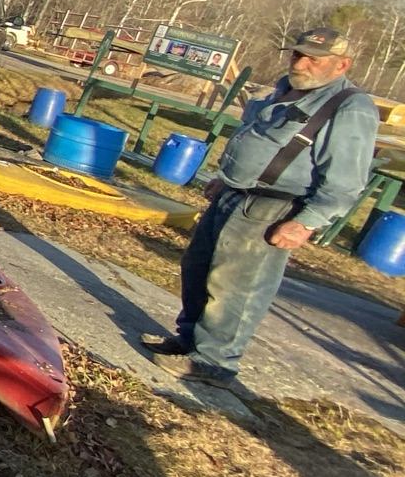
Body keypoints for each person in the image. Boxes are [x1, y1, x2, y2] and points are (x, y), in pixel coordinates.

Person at [140, 26, 378, 390]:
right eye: (297, 55)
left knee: (236, 285)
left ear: (341, 65)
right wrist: (227, 179)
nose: (301, 64)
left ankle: (215, 361)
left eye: (314, 59)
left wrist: (306, 222)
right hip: (234, 194)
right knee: (198, 268)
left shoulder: (349, 107)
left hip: (273, 207)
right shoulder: (284, 90)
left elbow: (347, 180)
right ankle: (189, 340)